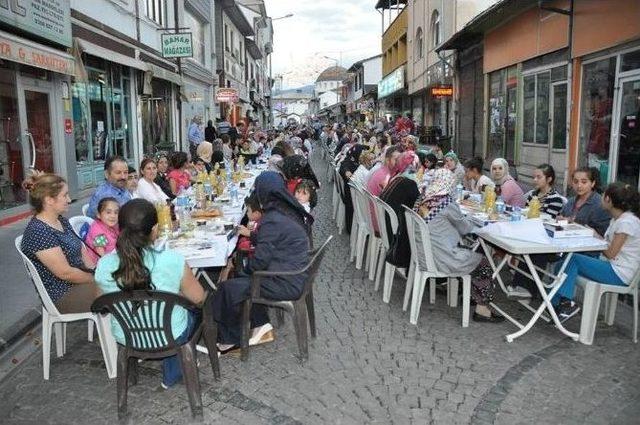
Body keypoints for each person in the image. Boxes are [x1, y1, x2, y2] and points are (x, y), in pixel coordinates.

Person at [95, 199, 205, 388]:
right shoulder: (172, 260)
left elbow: (101, 304)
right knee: (194, 311)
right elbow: (199, 298)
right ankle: (174, 369)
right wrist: (176, 291)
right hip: (171, 335)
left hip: (127, 335)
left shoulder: (104, 264)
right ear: (154, 229)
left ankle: (172, 368)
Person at [212, 172, 313, 353]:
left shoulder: (272, 218)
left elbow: (259, 263)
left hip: (286, 281)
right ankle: (260, 325)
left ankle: (230, 341)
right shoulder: (286, 209)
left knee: (228, 287)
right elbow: (276, 238)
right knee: (241, 280)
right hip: (294, 271)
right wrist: (253, 237)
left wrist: (241, 269)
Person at [413, 169, 504, 322]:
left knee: (470, 252)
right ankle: (482, 310)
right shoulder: (446, 202)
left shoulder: (423, 198)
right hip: (442, 258)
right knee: (483, 264)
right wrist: (468, 218)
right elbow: (466, 229)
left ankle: (471, 295)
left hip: (423, 253)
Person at [552, 183, 640, 321]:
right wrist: (594, 234)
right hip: (612, 266)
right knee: (563, 263)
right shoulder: (619, 218)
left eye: (603, 195)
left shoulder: (627, 222)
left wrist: (595, 238)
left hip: (619, 273)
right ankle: (554, 303)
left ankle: (565, 304)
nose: (601, 198)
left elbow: (611, 253)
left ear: (609, 200)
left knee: (573, 259)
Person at [21, 173, 100, 313]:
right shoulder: (38, 231)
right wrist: (97, 278)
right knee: (118, 293)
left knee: (124, 283)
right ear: (49, 200)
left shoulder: (60, 220)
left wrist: (96, 271)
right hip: (62, 294)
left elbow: (81, 249)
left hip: (81, 282)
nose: (69, 200)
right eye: (65, 195)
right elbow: (65, 273)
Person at [379, 152, 421, 269]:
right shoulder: (409, 183)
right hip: (395, 233)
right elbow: (418, 206)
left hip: (386, 226)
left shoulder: (396, 178)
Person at [558, 167, 610, 237]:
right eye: (576, 182)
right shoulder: (571, 201)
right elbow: (562, 218)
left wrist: (571, 222)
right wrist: (560, 219)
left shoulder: (600, 204)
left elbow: (602, 233)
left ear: (592, 183)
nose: (579, 186)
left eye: (584, 182)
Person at [85, 197, 120, 263]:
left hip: (113, 255)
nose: (113, 216)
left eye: (116, 212)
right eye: (108, 212)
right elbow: (102, 257)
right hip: (100, 264)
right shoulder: (99, 234)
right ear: (98, 215)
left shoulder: (112, 225)